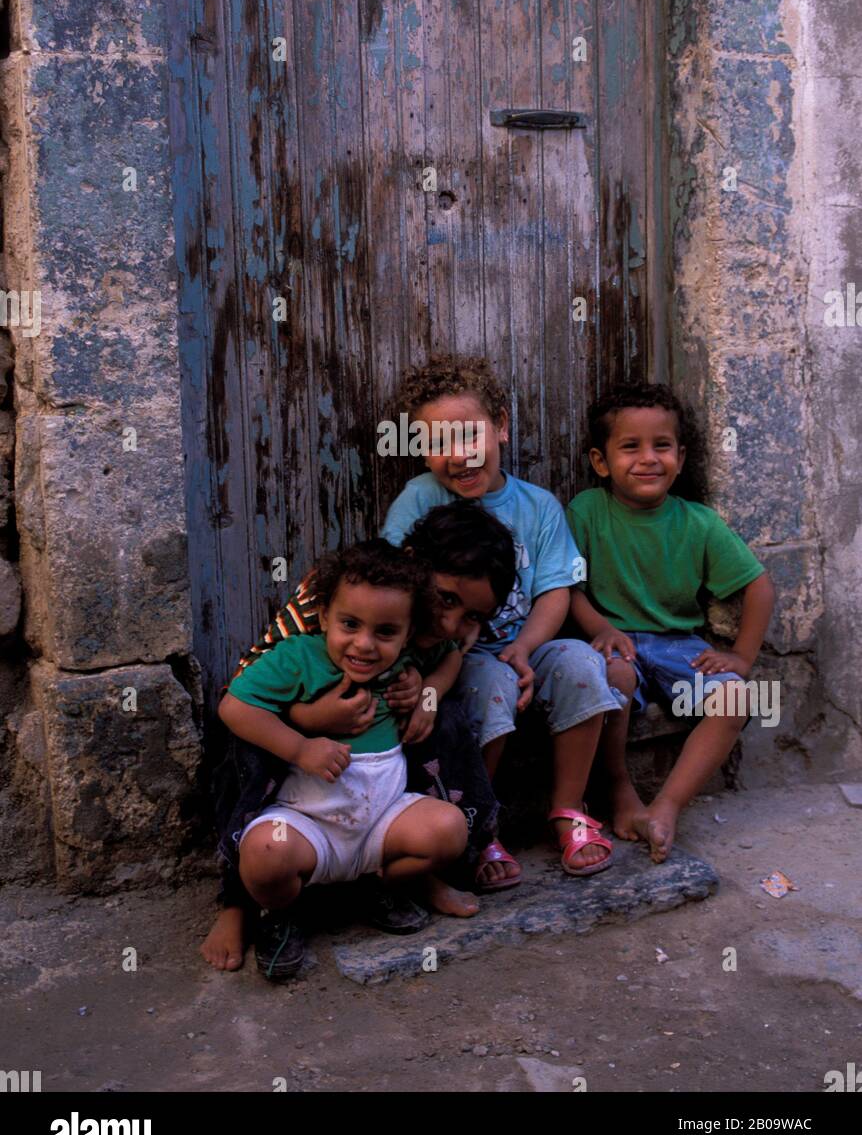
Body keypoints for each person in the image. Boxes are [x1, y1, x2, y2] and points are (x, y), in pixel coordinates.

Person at [201, 501, 518, 973]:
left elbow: (450, 653)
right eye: (448, 601)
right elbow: (241, 695)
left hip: (375, 783)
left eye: (473, 617)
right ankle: (238, 901)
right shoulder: (337, 604)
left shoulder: (425, 623)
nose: (453, 624)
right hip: (294, 742)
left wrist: (427, 695)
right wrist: (309, 721)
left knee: (444, 719)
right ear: (415, 567)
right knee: (247, 751)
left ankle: (401, 876)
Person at [382, 355, 622, 890]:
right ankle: (480, 822)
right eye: (438, 442)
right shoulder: (420, 500)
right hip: (458, 657)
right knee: (490, 682)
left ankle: (567, 809)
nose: (459, 455)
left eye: (471, 434)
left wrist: (527, 646)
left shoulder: (537, 507)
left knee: (583, 663)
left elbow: (554, 591)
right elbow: (392, 581)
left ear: (502, 427)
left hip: (526, 644)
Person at [567, 381, 775, 863]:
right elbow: (568, 589)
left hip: (679, 645)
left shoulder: (698, 522)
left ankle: (668, 805)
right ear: (601, 462)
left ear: (680, 458)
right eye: (630, 447)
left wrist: (741, 657)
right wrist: (599, 628)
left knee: (736, 695)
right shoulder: (587, 511)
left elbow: (758, 587)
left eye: (661, 446)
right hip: (615, 642)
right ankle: (620, 792)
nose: (648, 459)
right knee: (614, 677)